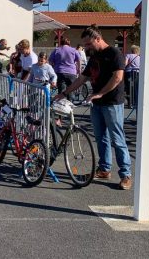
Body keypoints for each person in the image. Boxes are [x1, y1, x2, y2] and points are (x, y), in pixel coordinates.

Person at [55, 25, 132, 190]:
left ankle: (125, 174)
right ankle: (104, 169)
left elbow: (118, 77)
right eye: (85, 45)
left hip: (112, 103)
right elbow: (82, 78)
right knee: (101, 137)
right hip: (96, 104)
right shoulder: (94, 57)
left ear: (98, 39)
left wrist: (100, 93)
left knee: (117, 139)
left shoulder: (114, 54)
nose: (87, 48)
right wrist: (64, 93)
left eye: (89, 44)